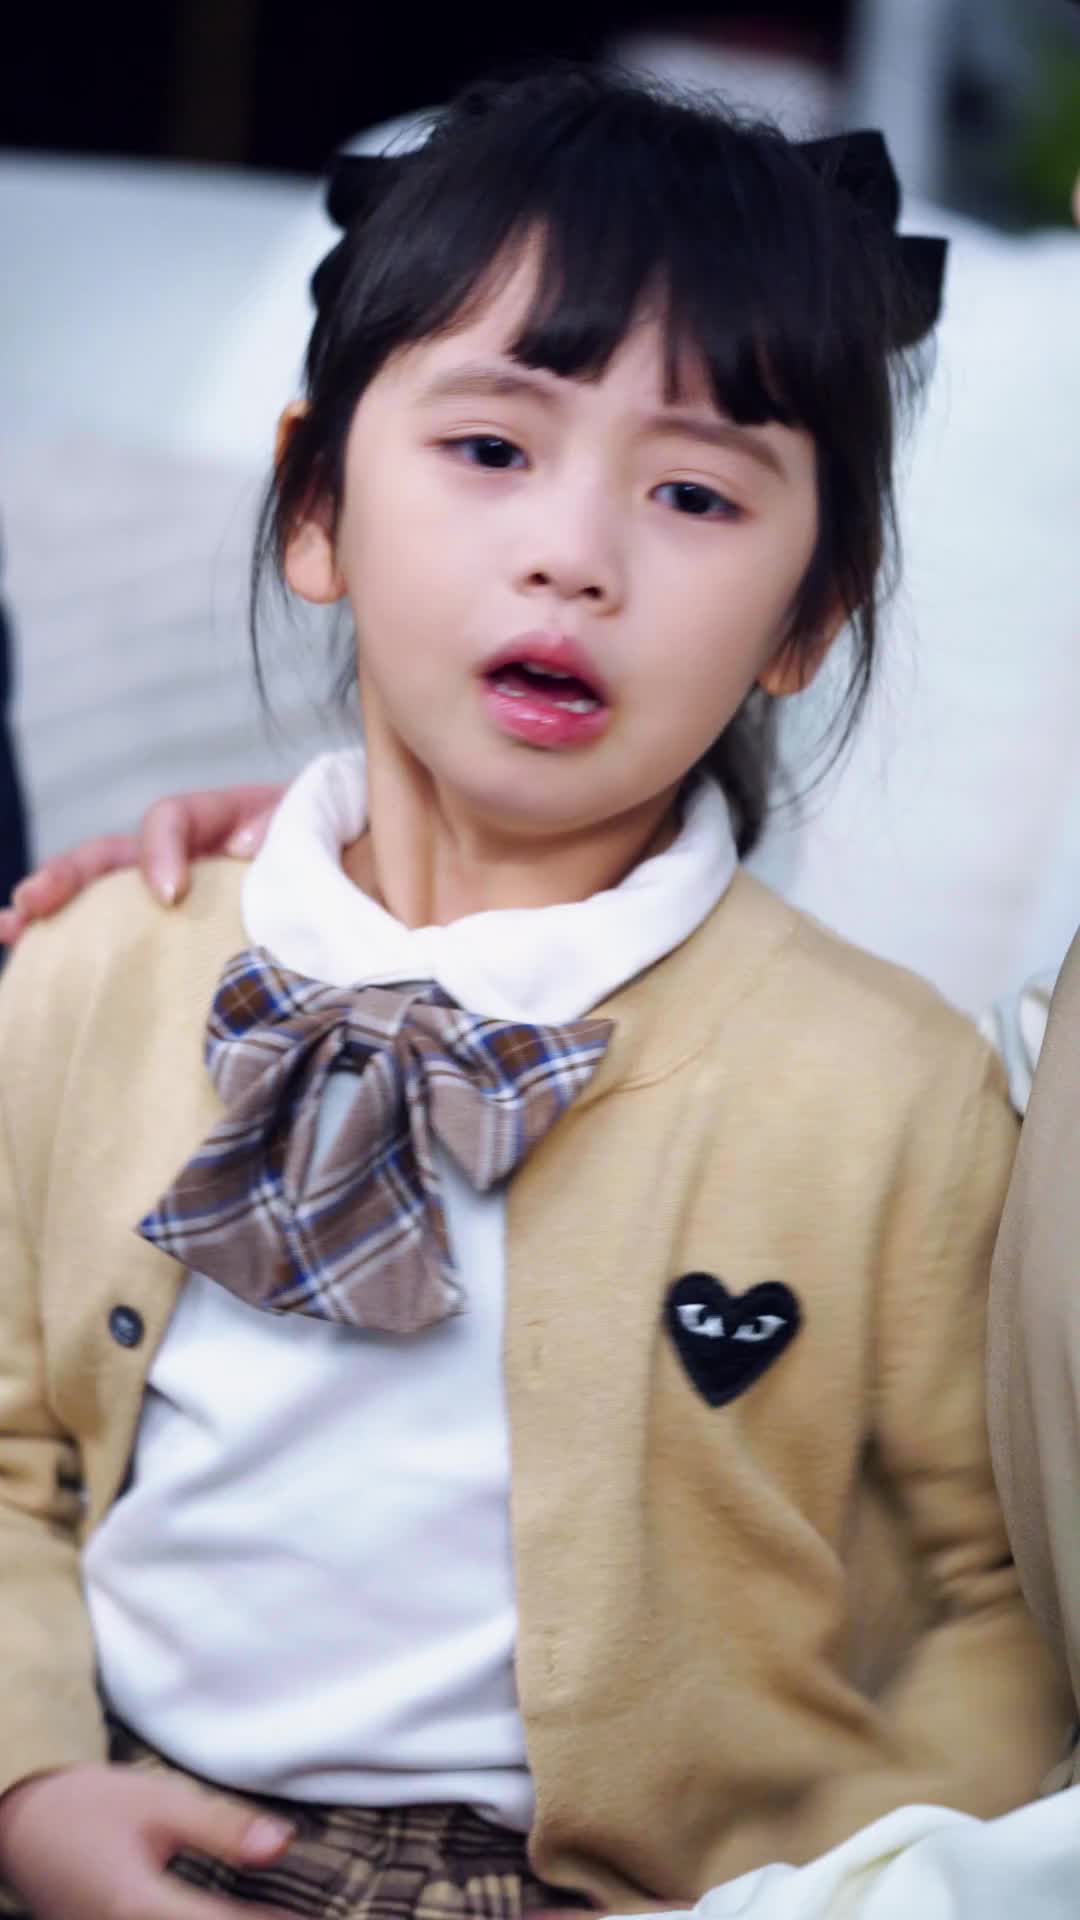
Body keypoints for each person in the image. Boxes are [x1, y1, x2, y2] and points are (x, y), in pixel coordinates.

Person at [0, 64, 1069, 1920]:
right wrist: (22, 1784)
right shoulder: (97, 972)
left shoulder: (892, 1089)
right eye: (492, 450)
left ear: (808, 619)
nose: (577, 553)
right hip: (123, 1825)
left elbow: (991, 1604)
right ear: (316, 507)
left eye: (694, 493)